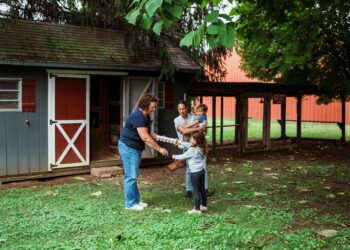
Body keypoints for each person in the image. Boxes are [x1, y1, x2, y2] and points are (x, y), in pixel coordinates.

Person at [119, 93, 168, 211]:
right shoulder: (138, 117)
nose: (154, 109)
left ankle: (136, 201)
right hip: (129, 147)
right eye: (152, 107)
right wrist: (159, 149)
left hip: (134, 148)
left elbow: (150, 133)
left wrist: (164, 139)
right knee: (131, 176)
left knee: (133, 175)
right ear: (145, 105)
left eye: (155, 106)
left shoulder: (145, 116)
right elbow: (145, 137)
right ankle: (130, 204)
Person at [174, 100, 211, 198]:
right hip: (186, 145)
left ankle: (205, 188)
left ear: (187, 108)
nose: (182, 111)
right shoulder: (177, 120)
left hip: (198, 144)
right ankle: (189, 190)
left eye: (183, 108)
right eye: (180, 109)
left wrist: (192, 129)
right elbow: (184, 131)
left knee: (203, 166)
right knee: (188, 168)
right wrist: (198, 129)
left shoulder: (194, 117)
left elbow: (205, 128)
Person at [172, 132, 208, 214]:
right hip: (201, 171)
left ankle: (197, 209)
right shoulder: (203, 146)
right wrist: (180, 142)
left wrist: (174, 156)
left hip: (194, 173)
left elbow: (183, 156)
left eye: (193, 139)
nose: (192, 140)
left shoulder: (192, 150)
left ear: (197, 141)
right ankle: (204, 206)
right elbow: (189, 145)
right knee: (202, 189)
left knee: (196, 191)